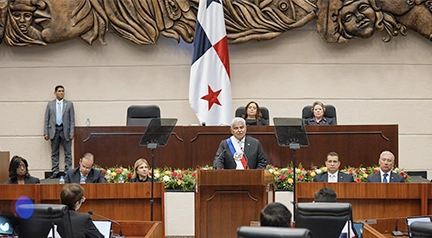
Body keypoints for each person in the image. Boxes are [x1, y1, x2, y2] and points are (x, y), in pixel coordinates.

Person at [44, 85, 75, 179]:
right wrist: (46, 132)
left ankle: (68, 171)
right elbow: (46, 119)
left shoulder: (69, 104)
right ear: (55, 93)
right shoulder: (50, 104)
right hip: (54, 130)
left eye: (62, 91)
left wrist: (72, 132)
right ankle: (55, 171)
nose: (61, 93)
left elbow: (72, 119)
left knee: (68, 153)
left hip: (65, 130)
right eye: (59, 91)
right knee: (54, 152)